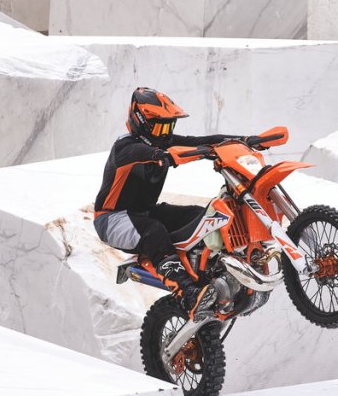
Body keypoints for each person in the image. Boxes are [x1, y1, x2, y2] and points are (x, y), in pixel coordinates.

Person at [94, 87, 245, 319]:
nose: (164, 134)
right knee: (154, 232)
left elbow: (200, 141)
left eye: (168, 127)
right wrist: (166, 155)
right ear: (140, 122)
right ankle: (188, 293)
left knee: (203, 217)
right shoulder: (125, 147)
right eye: (159, 127)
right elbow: (147, 153)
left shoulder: (160, 142)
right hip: (112, 219)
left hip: (145, 213)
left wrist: (243, 141)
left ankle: (212, 275)